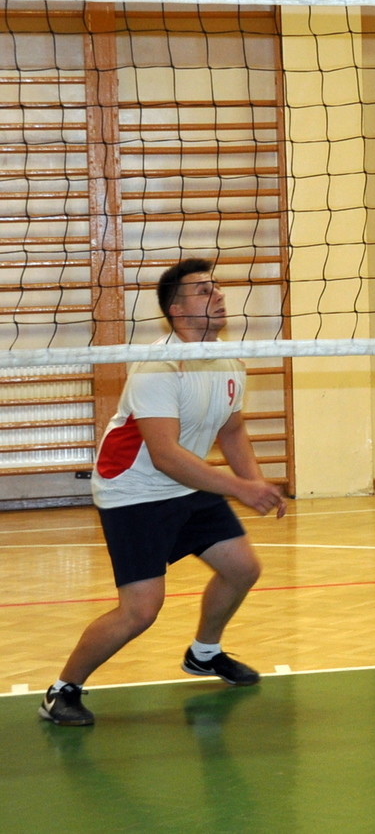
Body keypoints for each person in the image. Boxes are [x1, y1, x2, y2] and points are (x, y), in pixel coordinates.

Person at [39, 258, 288, 728]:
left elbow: (232, 430)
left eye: (217, 287)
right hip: (135, 490)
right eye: (203, 290)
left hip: (187, 483)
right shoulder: (158, 366)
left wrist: (254, 482)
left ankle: (204, 653)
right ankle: (62, 690)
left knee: (242, 568)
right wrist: (239, 489)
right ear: (176, 309)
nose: (218, 295)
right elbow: (165, 455)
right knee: (140, 611)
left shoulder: (228, 361)